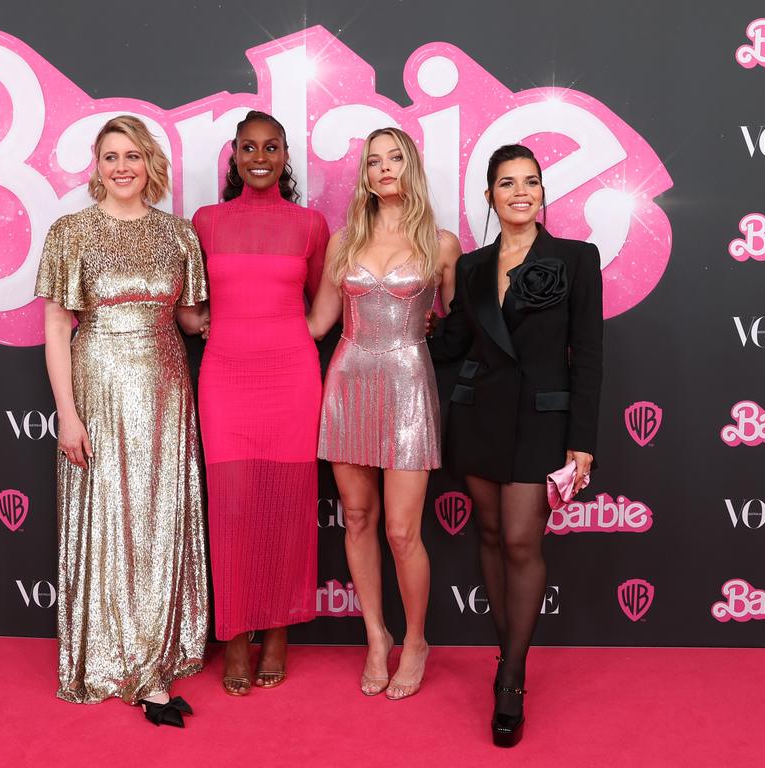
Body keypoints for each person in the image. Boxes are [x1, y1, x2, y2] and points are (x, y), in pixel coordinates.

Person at [36, 115, 210, 728]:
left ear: (150, 163)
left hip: (165, 387)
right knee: (109, 517)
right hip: (99, 386)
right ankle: (114, 660)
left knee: (158, 520)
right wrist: (67, 414)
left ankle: (153, 658)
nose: (122, 167)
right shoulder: (71, 234)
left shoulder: (178, 236)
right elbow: (58, 329)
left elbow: (191, 321)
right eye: (110, 156)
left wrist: (255, 321)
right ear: (97, 164)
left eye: (132, 155)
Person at [428, 144, 603, 746]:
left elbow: (590, 358)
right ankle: (510, 655)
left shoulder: (577, 259)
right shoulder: (473, 266)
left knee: (524, 539)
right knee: (493, 536)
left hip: (541, 422)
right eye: (507, 183)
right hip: (477, 415)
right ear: (490, 196)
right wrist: (388, 325)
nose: (520, 192)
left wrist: (582, 441)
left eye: (531, 182)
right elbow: (452, 340)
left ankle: (511, 677)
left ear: (543, 193)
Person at [307, 127, 460, 700]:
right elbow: (319, 323)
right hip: (348, 379)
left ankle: (415, 640)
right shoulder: (345, 241)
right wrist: (246, 335)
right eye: (374, 161)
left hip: (407, 386)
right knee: (359, 519)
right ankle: (377, 635)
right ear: (365, 176)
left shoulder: (441, 244)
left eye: (395, 158)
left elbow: (457, 323)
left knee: (401, 530)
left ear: (411, 167)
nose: (385, 168)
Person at [192, 110, 329, 696]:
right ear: (234, 155)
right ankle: (238, 636)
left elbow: (324, 307)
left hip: (292, 376)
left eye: (271, 147)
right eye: (249, 147)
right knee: (233, 507)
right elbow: (185, 297)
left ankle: (278, 633)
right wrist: (200, 323)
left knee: (287, 504)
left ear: (284, 157)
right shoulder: (205, 222)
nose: (260, 157)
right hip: (224, 378)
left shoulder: (310, 225)